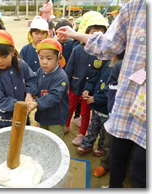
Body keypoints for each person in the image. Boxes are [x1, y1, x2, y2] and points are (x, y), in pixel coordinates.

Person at [56, 0, 146, 188]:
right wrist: (74, 34)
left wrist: (96, 97)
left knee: (139, 170)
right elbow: (103, 52)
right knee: (116, 153)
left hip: (128, 110)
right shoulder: (135, 7)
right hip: (123, 106)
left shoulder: (113, 65)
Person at [63, 15, 109, 145]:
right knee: (69, 107)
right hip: (74, 85)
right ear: (87, 33)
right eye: (93, 33)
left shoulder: (103, 54)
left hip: (89, 91)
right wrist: (66, 84)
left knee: (85, 112)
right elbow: (69, 67)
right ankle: (66, 126)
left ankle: (81, 134)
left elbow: (101, 74)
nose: (96, 37)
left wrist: (93, 90)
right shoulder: (77, 49)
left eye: (101, 34)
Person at [0, 30, 37, 132]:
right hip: (1, 121)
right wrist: (21, 106)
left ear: (13, 52)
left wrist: (29, 94)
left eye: (4, 56)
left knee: (22, 140)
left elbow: (32, 79)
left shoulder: (21, 65)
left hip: (21, 116)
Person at [28, 39, 69, 139]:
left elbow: (55, 96)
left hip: (56, 118)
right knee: (43, 138)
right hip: (43, 115)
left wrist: (36, 103)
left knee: (55, 141)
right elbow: (34, 82)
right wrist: (30, 94)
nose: (44, 62)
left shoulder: (61, 77)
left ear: (59, 58)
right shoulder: (40, 71)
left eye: (49, 58)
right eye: (41, 58)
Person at [93, 51, 125, 178]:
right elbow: (108, 88)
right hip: (117, 112)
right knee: (109, 141)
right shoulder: (118, 66)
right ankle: (105, 164)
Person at [76, 59, 112, 156]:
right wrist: (87, 89)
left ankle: (101, 147)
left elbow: (112, 92)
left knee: (104, 132)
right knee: (92, 128)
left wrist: (96, 98)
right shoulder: (107, 63)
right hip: (96, 109)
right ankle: (87, 145)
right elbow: (94, 78)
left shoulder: (120, 69)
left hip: (107, 111)